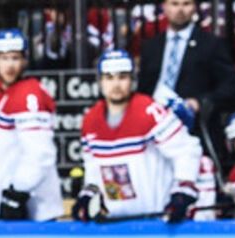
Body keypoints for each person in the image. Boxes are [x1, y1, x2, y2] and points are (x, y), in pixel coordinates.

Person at [74, 48, 203, 224]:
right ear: (100, 81)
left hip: (155, 222)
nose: (116, 84)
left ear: (132, 80)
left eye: (122, 77)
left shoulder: (149, 111)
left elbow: (187, 149)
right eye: (109, 78)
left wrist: (183, 189)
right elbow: (93, 167)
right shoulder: (90, 120)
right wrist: (89, 194)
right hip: (114, 222)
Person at [134, 0, 235, 168]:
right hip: (155, 128)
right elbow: (143, 88)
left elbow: (230, 87)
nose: (180, 9)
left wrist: (200, 102)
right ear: (164, 7)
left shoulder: (211, 44)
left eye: (186, 3)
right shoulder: (151, 46)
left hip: (194, 128)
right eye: (174, 4)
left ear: (195, 7)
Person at [0, 28, 63, 222]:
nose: (10, 65)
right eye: (4, 58)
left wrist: (17, 191)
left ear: (25, 60)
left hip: (31, 208)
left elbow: (41, 155)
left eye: (15, 58)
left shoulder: (30, 95)